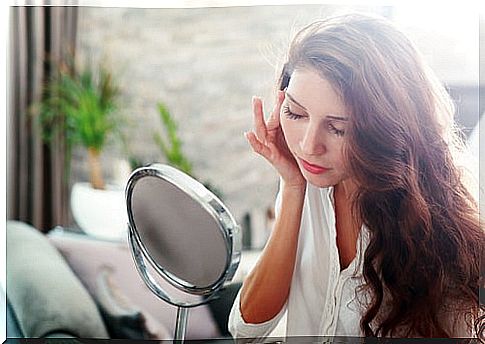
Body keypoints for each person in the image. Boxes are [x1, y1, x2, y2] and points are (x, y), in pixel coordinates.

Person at [229, 13, 484, 339]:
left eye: (338, 128)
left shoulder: (439, 221)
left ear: (384, 131)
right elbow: (246, 328)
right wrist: (292, 187)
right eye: (295, 112)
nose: (309, 146)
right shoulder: (307, 185)